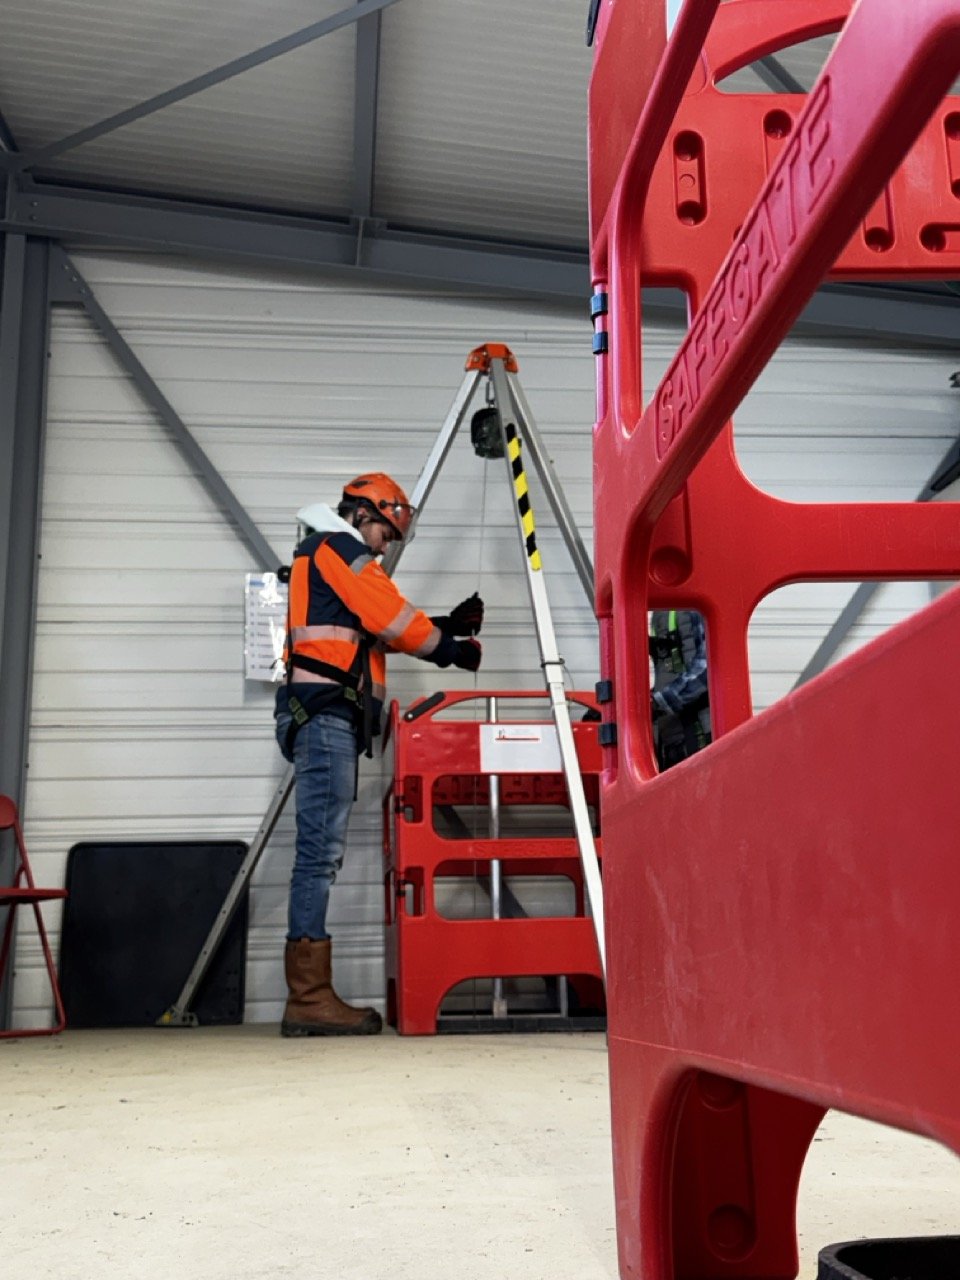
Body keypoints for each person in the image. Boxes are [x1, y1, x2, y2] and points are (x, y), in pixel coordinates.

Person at [274, 472, 484, 1037]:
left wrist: (442, 626)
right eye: (386, 534)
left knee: (322, 851)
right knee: (320, 854)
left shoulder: (321, 554)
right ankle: (308, 998)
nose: (385, 547)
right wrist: (451, 650)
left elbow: (369, 628)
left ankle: (309, 994)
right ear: (364, 514)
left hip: (320, 714)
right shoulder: (338, 545)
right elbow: (390, 617)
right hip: (324, 717)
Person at [649, 609, 711, 771]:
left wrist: (657, 703)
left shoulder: (693, 607)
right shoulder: (660, 611)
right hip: (671, 739)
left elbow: (708, 669)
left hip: (698, 738)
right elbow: (666, 672)